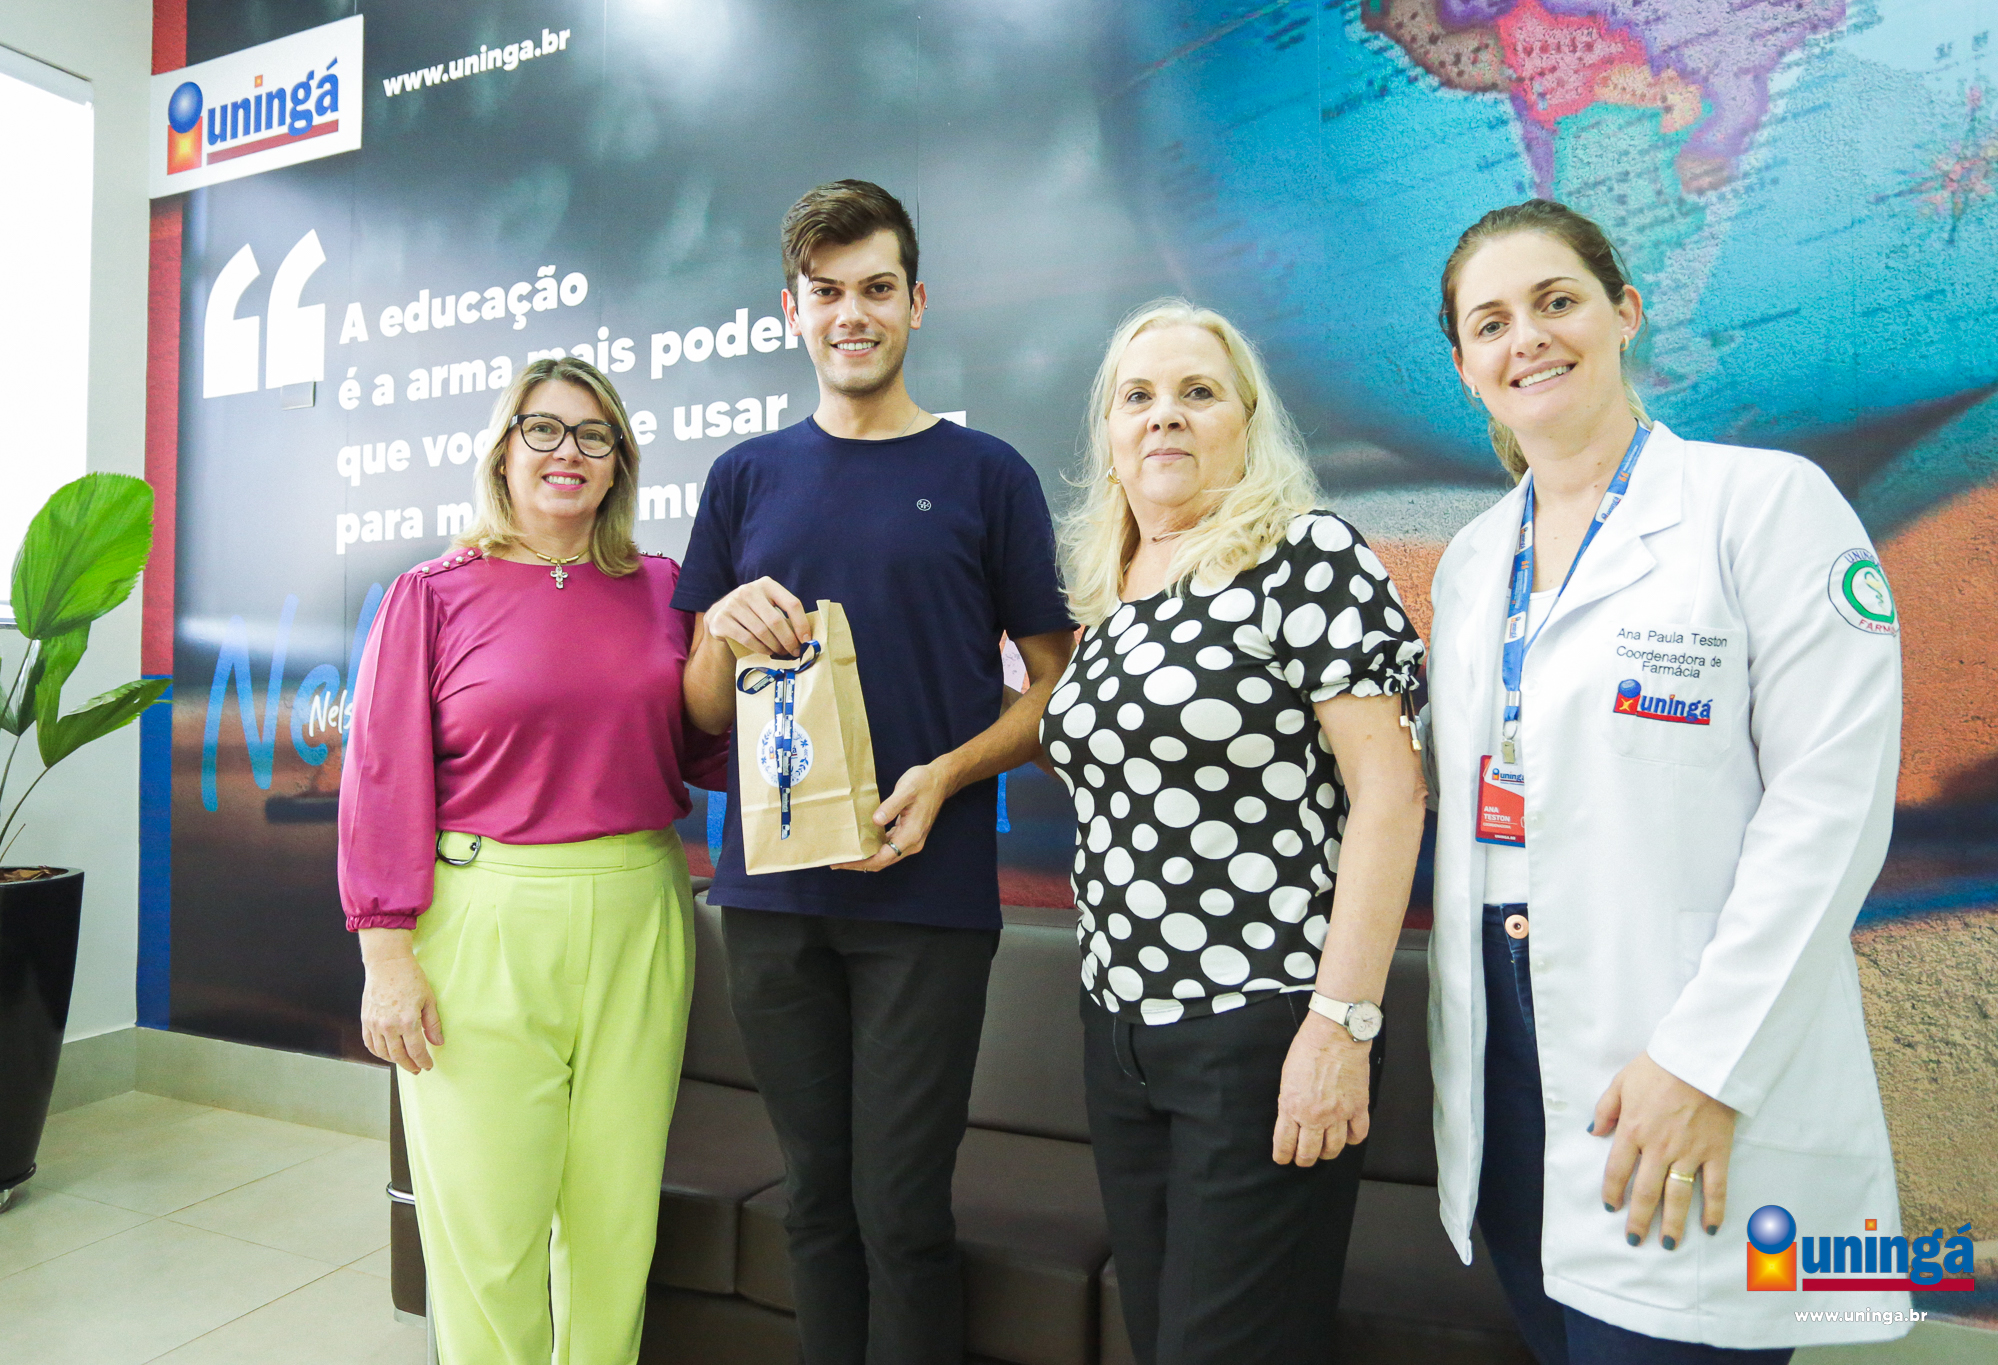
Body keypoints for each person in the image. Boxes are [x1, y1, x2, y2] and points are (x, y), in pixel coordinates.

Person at [1423, 199, 1910, 1361]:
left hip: (1684, 1030)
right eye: (1489, 323)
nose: (1525, 339)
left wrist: (1703, 1062)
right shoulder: (1469, 563)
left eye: (1554, 301)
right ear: (1464, 368)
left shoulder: (1764, 505)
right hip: (1503, 1047)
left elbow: (1829, 809)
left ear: (1624, 312)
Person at [674, 180, 1076, 1365]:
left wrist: (944, 776)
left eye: (876, 289)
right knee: (812, 1202)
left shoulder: (986, 474)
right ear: (790, 309)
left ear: (916, 303)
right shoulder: (743, 477)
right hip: (770, 900)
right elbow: (699, 711)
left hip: (926, 900)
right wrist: (718, 632)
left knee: (901, 1214)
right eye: (826, 292)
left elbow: (1056, 692)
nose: (851, 313)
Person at [1042, 299, 1427, 1365]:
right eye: (1138, 396)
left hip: (1260, 1031)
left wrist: (1339, 1028)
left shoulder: (1306, 554)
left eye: (1197, 392)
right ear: (1109, 433)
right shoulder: (1112, 595)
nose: (1163, 415)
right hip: (1119, 1036)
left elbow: (1392, 794)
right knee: (1161, 1339)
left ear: (1246, 424)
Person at [341, 356, 728, 1364]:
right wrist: (386, 957)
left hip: (642, 908)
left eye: (595, 435)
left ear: (619, 463)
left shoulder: (667, 590)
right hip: (484, 916)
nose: (569, 452)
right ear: (503, 450)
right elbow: (381, 776)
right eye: (544, 429)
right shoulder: (431, 594)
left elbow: (705, 750)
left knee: (614, 1219)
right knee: (488, 1227)